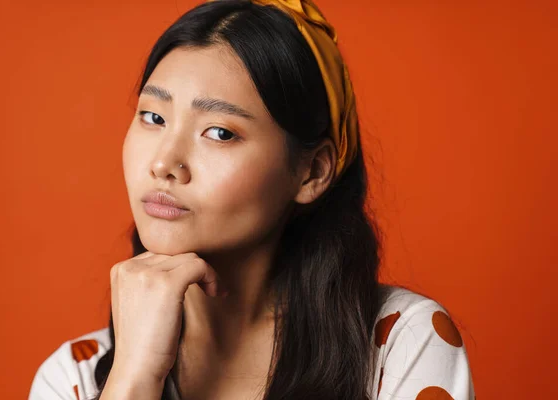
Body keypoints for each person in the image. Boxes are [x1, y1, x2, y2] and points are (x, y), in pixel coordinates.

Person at [28, 0, 476, 399]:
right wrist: (133, 378)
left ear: (312, 172)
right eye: (152, 116)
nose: (164, 162)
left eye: (220, 132)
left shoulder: (400, 343)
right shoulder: (74, 379)